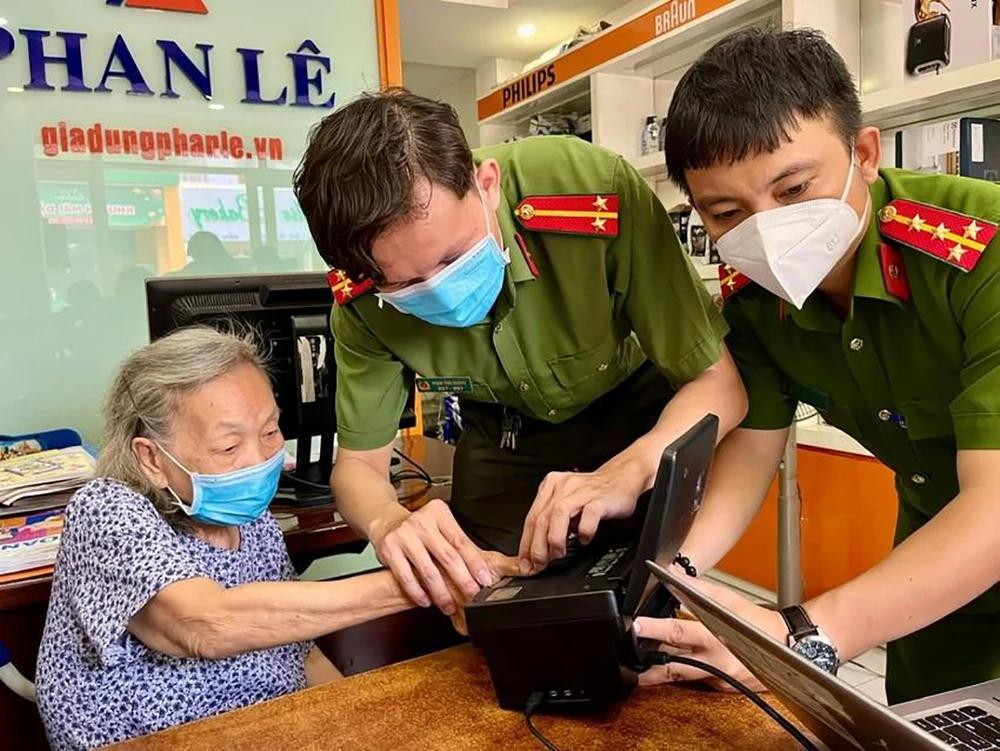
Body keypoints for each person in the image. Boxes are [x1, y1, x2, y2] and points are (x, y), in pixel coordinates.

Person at [631, 27, 1000, 705]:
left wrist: (804, 632)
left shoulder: (982, 253)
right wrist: (672, 576)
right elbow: (753, 449)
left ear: (865, 154)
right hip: (932, 557)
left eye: (795, 188)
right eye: (727, 211)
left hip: (982, 523)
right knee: (926, 725)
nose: (767, 228)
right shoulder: (753, 303)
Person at [293, 89, 748, 618]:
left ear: (486, 185)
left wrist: (631, 468)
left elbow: (720, 385)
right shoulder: (360, 302)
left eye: (453, 257)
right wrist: (388, 522)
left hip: (639, 407)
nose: (439, 290)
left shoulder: (589, 189)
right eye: (405, 284)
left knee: (647, 598)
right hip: (503, 433)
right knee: (492, 605)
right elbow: (358, 467)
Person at [35, 327, 516, 750]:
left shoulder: (254, 521)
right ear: (152, 459)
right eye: (228, 446)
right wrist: (429, 580)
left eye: (269, 431)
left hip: (275, 729)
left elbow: (299, 652)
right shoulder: (107, 509)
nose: (259, 459)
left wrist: (357, 727)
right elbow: (203, 624)